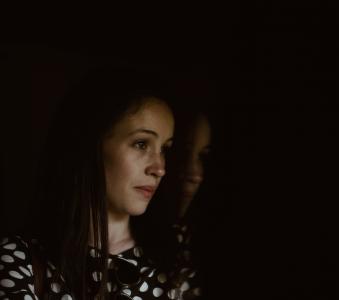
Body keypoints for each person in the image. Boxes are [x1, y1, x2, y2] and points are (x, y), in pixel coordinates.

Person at [0, 67, 202, 299]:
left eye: (164, 149)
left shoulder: (175, 258)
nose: (159, 168)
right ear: (90, 144)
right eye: (141, 144)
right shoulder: (19, 259)